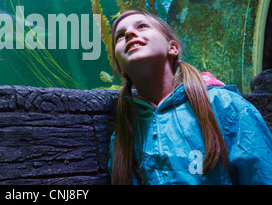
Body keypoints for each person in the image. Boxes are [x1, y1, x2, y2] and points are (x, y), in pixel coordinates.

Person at [108, 9, 272, 185]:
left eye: (142, 26)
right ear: (121, 69)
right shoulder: (122, 137)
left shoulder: (224, 105)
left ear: (173, 47)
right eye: (120, 36)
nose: (130, 33)